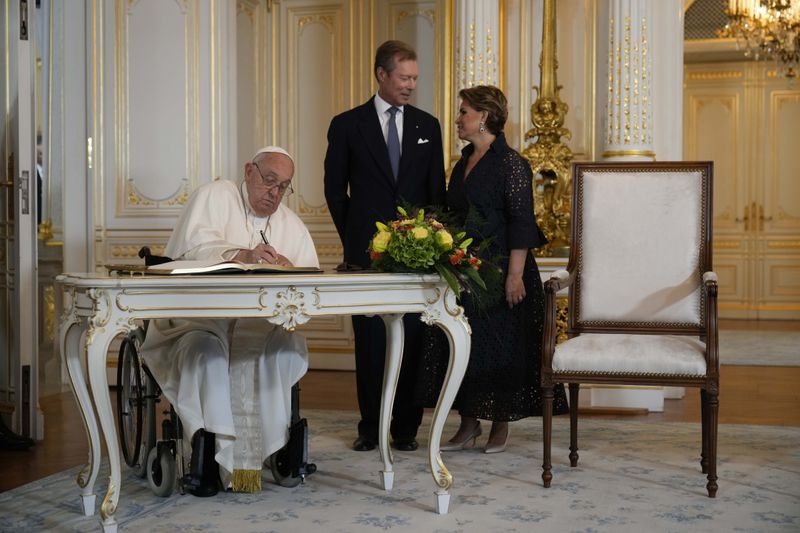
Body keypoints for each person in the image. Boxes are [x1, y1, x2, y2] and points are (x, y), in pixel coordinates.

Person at [140, 146, 319, 495]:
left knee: (281, 349)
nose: (275, 193)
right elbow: (193, 249)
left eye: (284, 187)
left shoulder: (289, 224)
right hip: (200, 322)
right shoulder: (214, 196)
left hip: (261, 328)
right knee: (206, 353)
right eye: (269, 181)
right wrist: (241, 254)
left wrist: (288, 269)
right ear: (249, 171)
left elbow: (309, 282)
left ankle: (279, 449)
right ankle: (206, 458)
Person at [324, 40, 446, 452]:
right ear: (381, 74)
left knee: (412, 339)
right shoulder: (346, 125)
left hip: (416, 256)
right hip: (365, 257)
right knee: (372, 342)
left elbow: (436, 194)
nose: (410, 85)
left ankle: (406, 428)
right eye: (404, 77)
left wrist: (429, 241)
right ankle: (369, 426)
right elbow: (334, 190)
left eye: (414, 78)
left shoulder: (428, 127)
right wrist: (355, 239)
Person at [439, 85, 568, 453]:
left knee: (501, 348)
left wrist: (514, 275)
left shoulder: (512, 164)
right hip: (467, 273)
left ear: (483, 117)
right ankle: (468, 424)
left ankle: (500, 424)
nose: (458, 119)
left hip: (503, 271)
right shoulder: (461, 164)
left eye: (464, 111)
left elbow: (521, 222)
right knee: (466, 347)